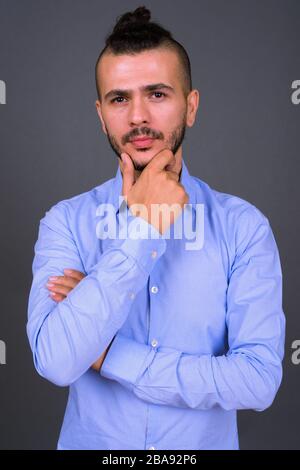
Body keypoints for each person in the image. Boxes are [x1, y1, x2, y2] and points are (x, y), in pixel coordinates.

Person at [26, 6, 286, 450]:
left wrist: (110, 355)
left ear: (191, 106)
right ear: (101, 113)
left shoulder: (244, 228)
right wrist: (143, 229)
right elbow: (55, 359)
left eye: (158, 94)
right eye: (119, 98)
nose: (138, 117)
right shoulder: (65, 222)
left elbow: (258, 380)